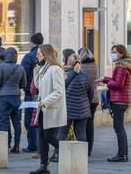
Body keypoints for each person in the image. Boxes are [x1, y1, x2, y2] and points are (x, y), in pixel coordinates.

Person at [30, 44, 66, 174]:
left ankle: (69, 150)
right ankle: (43, 165)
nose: (37, 55)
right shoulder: (44, 68)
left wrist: (44, 102)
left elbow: (58, 91)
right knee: (42, 138)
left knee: (49, 136)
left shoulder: (55, 69)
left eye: (39, 53)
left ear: (45, 54)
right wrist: (37, 69)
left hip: (51, 108)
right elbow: (38, 85)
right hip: (43, 109)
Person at [101, 44, 131, 162]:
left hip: (119, 100)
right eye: (112, 51)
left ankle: (121, 155)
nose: (112, 54)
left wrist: (107, 84)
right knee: (120, 127)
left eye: (114, 52)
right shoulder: (124, 66)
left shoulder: (121, 67)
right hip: (122, 100)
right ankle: (123, 154)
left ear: (121, 53)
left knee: (118, 128)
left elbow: (118, 84)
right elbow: (117, 81)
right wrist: (104, 79)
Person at [0, 47, 27, 154]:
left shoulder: (2, 66)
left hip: (3, 97)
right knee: (17, 122)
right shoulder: (20, 68)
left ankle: (6, 145)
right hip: (16, 97)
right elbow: (24, 84)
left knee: (3, 121)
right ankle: (16, 146)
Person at [62, 53, 94, 143]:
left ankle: (58, 153)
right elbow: (91, 93)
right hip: (83, 109)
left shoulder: (66, 75)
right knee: (81, 133)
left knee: (62, 132)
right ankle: (82, 155)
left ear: (69, 62)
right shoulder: (86, 76)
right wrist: (87, 104)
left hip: (68, 109)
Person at [21, 32, 44, 153]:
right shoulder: (47, 54)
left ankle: (33, 145)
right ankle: (41, 145)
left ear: (32, 43)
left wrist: (23, 86)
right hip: (44, 92)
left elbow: (23, 73)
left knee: (30, 119)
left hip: (31, 92)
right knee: (41, 119)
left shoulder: (29, 56)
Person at [77, 47, 100, 156]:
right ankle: (89, 148)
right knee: (90, 124)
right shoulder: (94, 65)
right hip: (95, 98)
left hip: (85, 98)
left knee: (83, 125)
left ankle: (84, 148)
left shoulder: (81, 67)